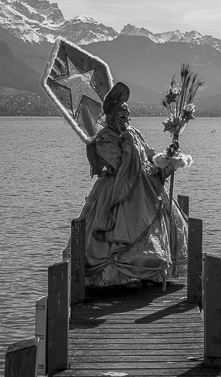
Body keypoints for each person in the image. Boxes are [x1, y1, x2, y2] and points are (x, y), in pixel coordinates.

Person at [76, 81, 188, 288]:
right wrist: (128, 144)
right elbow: (121, 166)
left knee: (157, 224)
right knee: (121, 229)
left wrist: (165, 160)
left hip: (146, 187)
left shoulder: (134, 132)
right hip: (117, 192)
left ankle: (150, 272)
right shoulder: (104, 138)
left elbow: (147, 156)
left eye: (127, 115)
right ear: (110, 116)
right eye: (120, 115)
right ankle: (116, 275)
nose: (125, 119)